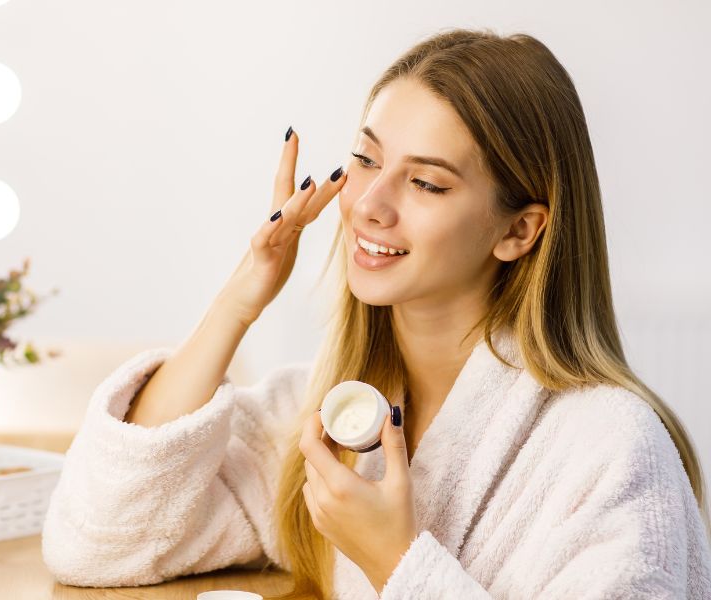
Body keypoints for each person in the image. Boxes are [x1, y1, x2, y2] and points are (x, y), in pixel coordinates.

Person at [41, 28, 711, 599]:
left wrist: (397, 562)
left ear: (520, 230)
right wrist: (242, 296)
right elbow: (100, 538)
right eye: (365, 159)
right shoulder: (330, 414)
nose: (369, 203)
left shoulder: (611, 449)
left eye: (425, 182)